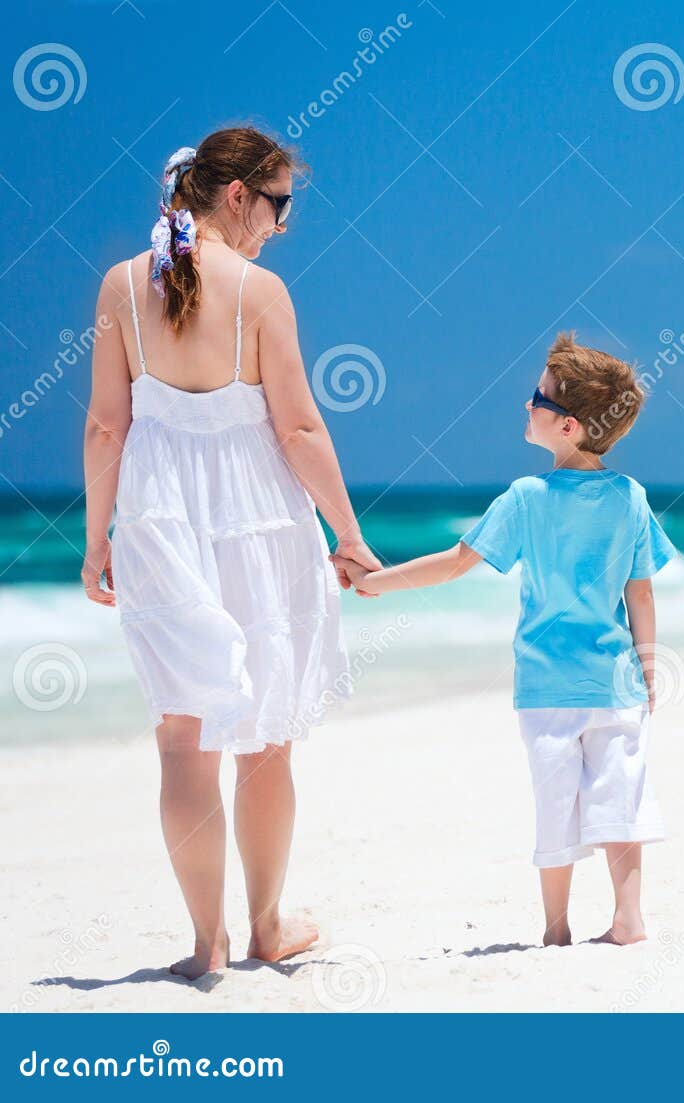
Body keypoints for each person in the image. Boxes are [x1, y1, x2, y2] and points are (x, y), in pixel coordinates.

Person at [81, 127, 380, 979]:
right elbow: (296, 427)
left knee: (182, 739)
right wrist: (349, 534)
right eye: (279, 204)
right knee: (264, 740)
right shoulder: (260, 292)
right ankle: (267, 926)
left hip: (158, 520)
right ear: (239, 196)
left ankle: (205, 945)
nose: (283, 225)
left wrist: (99, 536)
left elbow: (108, 424)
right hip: (256, 522)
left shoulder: (119, 286)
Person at [336, 333, 673, 946]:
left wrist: (377, 584)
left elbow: (456, 563)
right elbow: (641, 592)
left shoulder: (528, 498)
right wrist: (648, 666)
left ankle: (556, 929)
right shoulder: (631, 497)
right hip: (616, 683)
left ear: (567, 427)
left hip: (546, 687)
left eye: (536, 396)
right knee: (619, 799)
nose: (525, 405)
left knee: (555, 804)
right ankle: (629, 919)